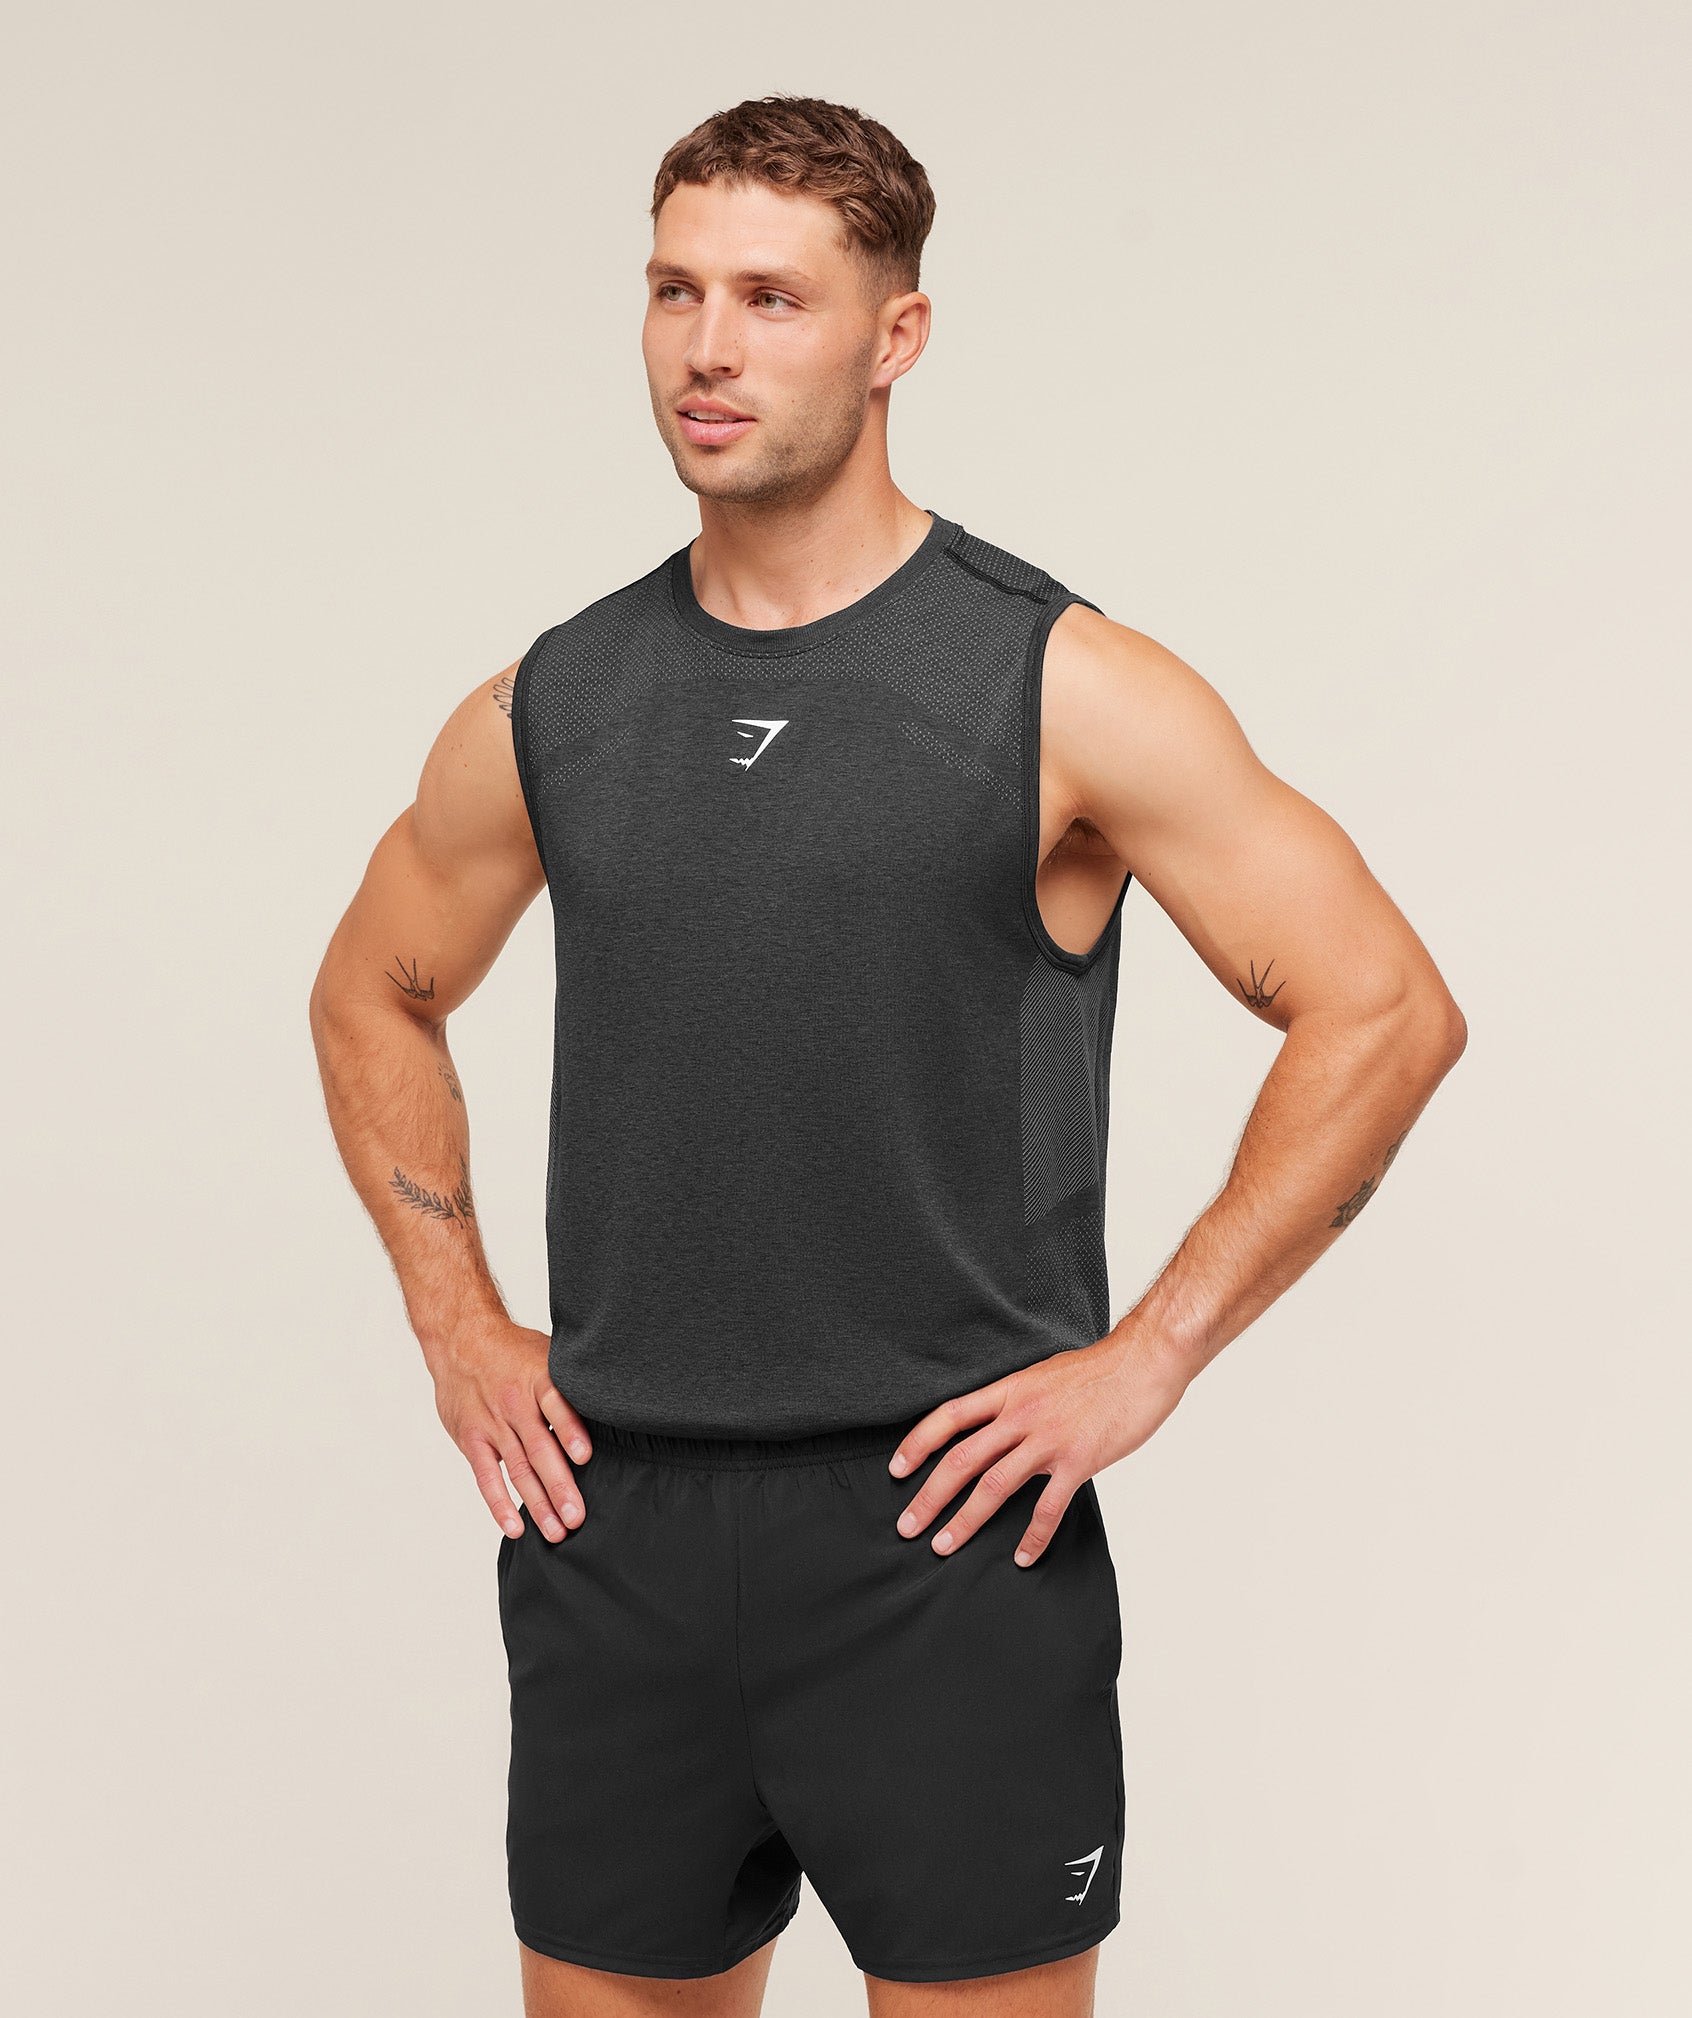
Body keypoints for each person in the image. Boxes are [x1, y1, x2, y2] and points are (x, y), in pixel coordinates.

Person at [308, 93, 1466, 2018]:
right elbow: (373, 988)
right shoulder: (556, 701)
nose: (708, 347)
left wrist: (1151, 1354)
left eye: (772, 297)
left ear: (895, 334)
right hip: (612, 1525)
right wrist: (454, 1315)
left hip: (942, 1530)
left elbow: (1386, 1006)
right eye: (675, 290)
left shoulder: (1060, 684)